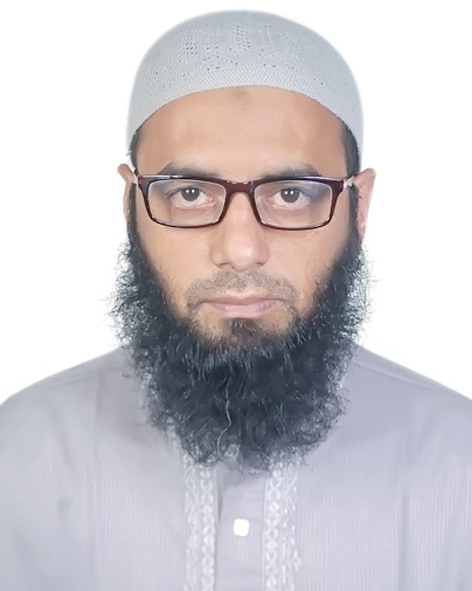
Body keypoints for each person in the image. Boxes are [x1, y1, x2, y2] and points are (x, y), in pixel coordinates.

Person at [0, 10, 471, 591]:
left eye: (292, 194)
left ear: (359, 207)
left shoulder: (460, 466)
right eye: (189, 193)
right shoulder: (21, 455)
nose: (242, 250)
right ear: (131, 205)